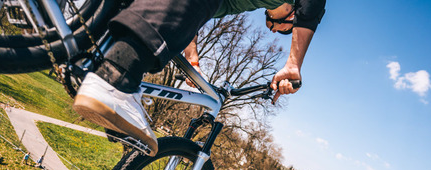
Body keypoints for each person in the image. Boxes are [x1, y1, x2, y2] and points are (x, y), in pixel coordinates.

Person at [72, 0, 326, 156]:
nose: (270, 28)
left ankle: (82, 54)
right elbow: (312, 7)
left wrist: (192, 56)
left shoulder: (236, 4)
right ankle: (117, 75)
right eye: (280, 29)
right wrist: (293, 64)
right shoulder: (297, 6)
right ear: (293, 16)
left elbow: (186, 12)